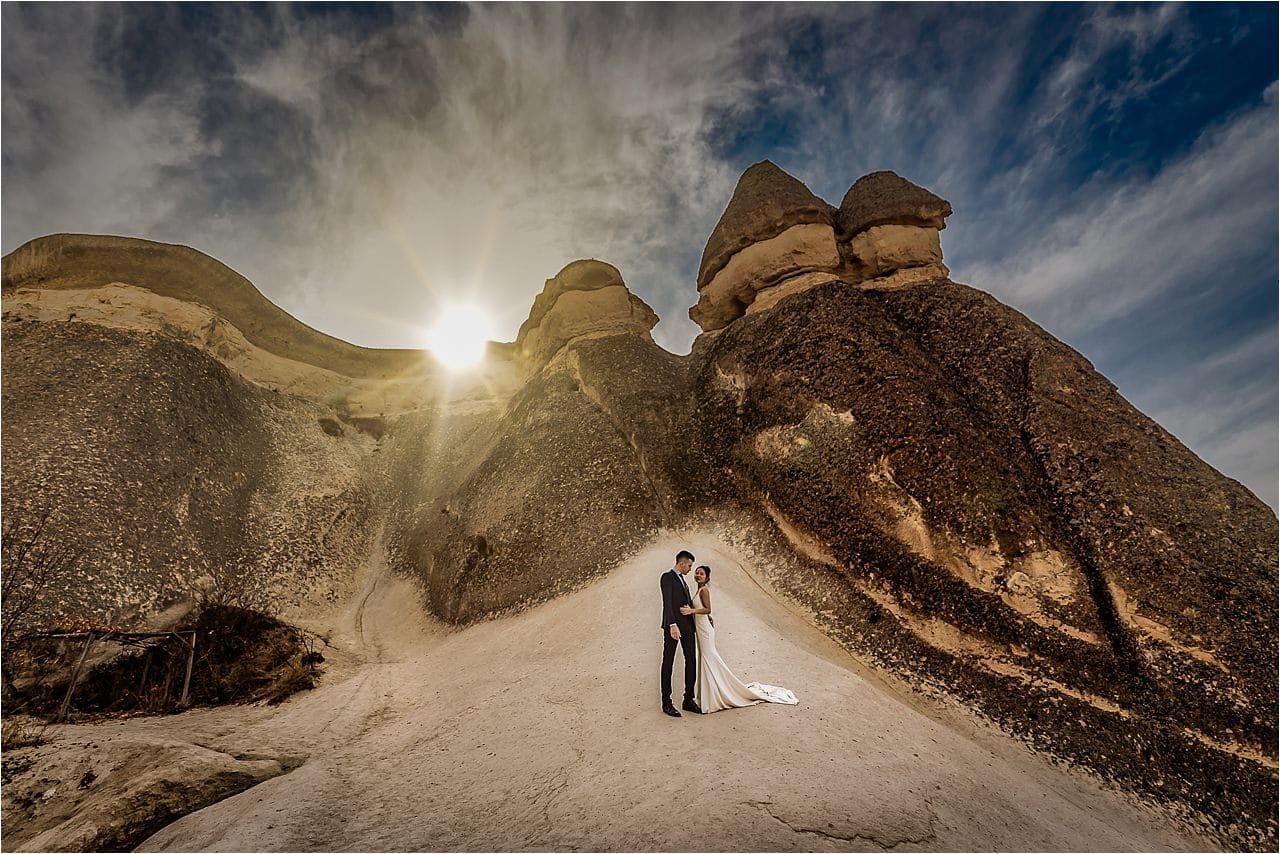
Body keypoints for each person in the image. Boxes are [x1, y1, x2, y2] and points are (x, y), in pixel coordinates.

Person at [680, 564, 798, 713]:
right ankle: (707, 695)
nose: (698, 575)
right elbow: (706, 611)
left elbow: (708, 609)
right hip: (702, 628)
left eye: (701, 574)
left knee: (708, 658)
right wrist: (704, 615)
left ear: (707, 578)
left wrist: (692, 611)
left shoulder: (704, 590)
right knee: (705, 658)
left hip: (705, 631)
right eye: (696, 573)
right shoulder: (698, 590)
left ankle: (716, 695)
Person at [659, 550, 701, 717]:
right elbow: (667, 603)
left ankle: (688, 699)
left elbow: (687, 604)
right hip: (673, 627)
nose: (690, 569)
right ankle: (666, 702)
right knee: (668, 661)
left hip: (687, 626)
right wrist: (672, 624)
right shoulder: (667, 577)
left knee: (691, 659)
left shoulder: (683, 580)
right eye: (689, 566)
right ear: (682, 563)